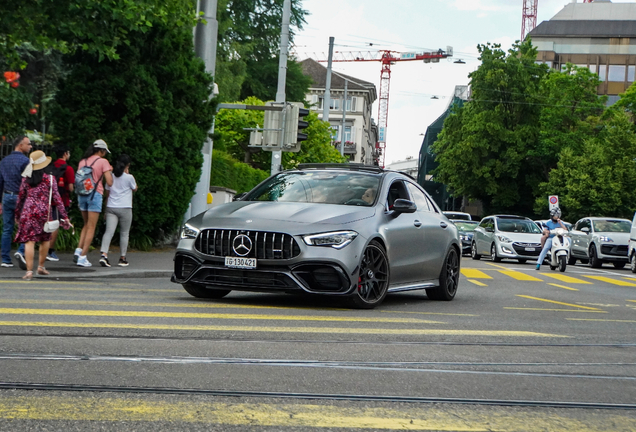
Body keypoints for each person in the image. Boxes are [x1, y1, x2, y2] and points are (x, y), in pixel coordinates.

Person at [14, 150, 71, 280]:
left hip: (28, 212)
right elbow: (57, 198)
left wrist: (17, 214)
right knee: (45, 239)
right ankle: (41, 266)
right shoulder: (49, 179)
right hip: (44, 213)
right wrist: (64, 216)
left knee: (29, 241)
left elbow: (20, 198)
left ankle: (29, 271)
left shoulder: (26, 179)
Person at [75, 139, 113, 267]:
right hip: (95, 195)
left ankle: (78, 249)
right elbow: (110, 182)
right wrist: (109, 171)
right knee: (92, 226)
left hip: (82, 194)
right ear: (101, 151)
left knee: (86, 224)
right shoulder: (103, 162)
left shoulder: (82, 161)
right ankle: (83, 256)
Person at [99, 154, 137, 267]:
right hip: (125, 207)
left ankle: (104, 255)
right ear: (128, 165)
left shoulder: (110, 176)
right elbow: (135, 188)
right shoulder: (129, 177)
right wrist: (128, 173)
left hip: (111, 207)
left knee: (109, 232)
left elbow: (107, 193)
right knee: (124, 233)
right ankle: (122, 258)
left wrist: (105, 210)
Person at [0, 135, 31, 268]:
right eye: (28, 144)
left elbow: (0, 182)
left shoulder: (4, 161)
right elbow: (28, 182)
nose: (30, 146)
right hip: (21, 197)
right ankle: (21, 250)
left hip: (7, 196)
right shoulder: (26, 161)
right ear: (20, 145)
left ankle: (5, 259)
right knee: (25, 226)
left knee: (7, 228)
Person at [47, 145, 75, 262]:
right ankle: (50, 251)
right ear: (65, 154)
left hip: (48, 200)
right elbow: (70, 187)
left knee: (48, 224)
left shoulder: (51, 166)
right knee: (55, 225)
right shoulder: (68, 169)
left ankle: (45, 248)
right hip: (60, 200)